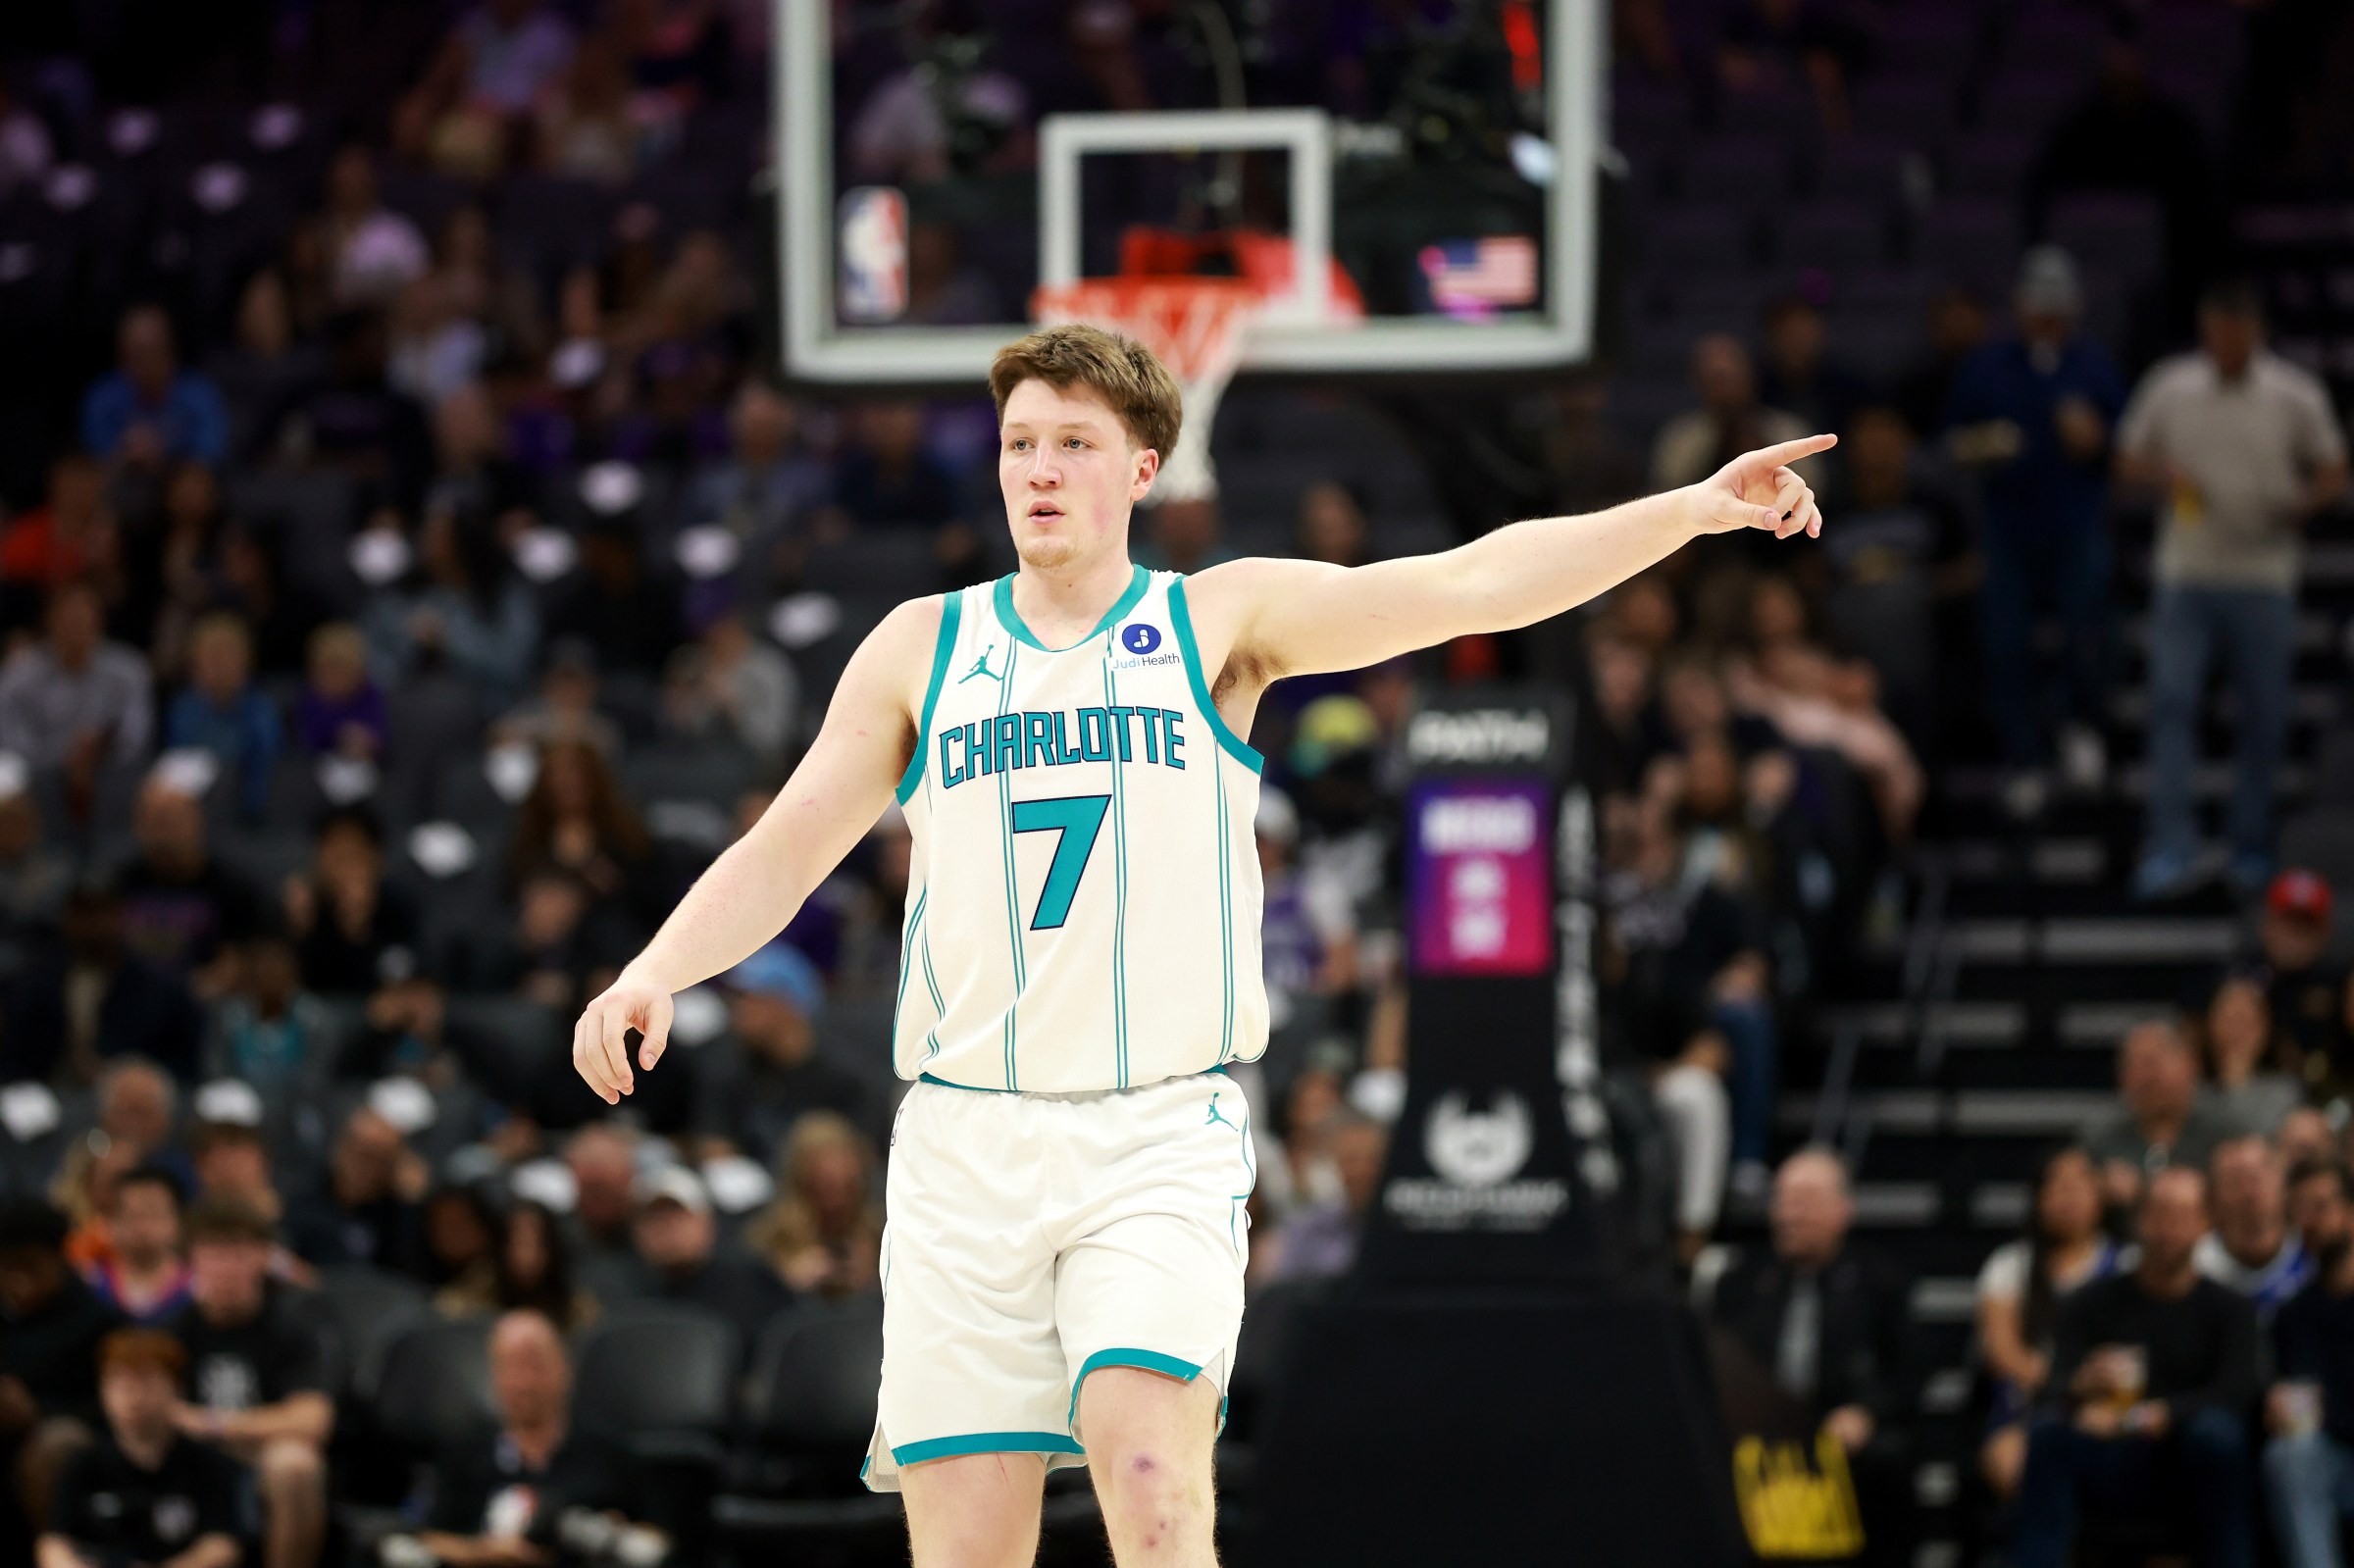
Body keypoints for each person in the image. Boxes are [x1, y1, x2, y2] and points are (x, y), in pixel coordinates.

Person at [570, 320, 1832, 1563]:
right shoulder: (921, 644)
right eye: (1020, 444)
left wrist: (1688, 512)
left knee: (1151, 1481)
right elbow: (790, 844)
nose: (1040, 469)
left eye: (1074, 443)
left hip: (1152, 1133)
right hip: (965, 1143)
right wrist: (656, 970)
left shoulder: (1213, 621)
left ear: (1142, 468)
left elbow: (1466, 583)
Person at [2119, 280, 2351, 899]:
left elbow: (2335, 470)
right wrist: (2165, 474)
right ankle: (2173, 844)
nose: (2224, 345)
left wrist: (2301, 503)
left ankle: (2250, 845)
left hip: (2263, 574)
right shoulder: (2172, 385)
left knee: (2265, 714)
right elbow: (2126, 458)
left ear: (2255, 331)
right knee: (2172, 705)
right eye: (2215, 334)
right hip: (2186, 572)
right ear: (2204, 329)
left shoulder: (2293, 393)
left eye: (2235, 335)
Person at [1944, 247, 2126, 811]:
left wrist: (2095, 439)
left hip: (2075, 524)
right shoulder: (1989, 365)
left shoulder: (2093, 364)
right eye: (2039, 313)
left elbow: (2125, 444)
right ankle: (2023, 757)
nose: (2048, 324)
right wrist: (1989, 445)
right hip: (2009, 528)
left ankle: (2081, 730)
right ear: (2021, 310)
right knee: (2007, 644)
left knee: (2087, 632)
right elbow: (1952, 441)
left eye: (2057, 314)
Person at [2011, 1166, 2259, 1568]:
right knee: (2048, 1435)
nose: (2168, 1229)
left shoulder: (2231, 1309)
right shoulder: (2090, 1302)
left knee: (2219, 1436)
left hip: (2186, 1457)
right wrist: (2081, 1387)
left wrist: (2164, 1414)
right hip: (2111, 1456)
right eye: (2158, 1213)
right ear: (2139, 1220)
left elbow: (2237, 1390)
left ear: (2206, 1224)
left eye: (2182, 1215)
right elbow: (2052, 1386)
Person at [1709, 1148, 1918, 1566]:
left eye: (1805, 1202)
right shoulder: (1739, 1282)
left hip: (1841, 1434)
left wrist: (1865, 1413)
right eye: (1783, 1201)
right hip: (1757, 1437)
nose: (1791, 1215)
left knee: (1886, 1460)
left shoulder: (1881, 1282)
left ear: (1842, 1210)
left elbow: (1909, 1369)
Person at [414, 1310, 659, 1568]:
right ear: (494, 1376)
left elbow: (658, 1540)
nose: (524, 1383)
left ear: (564, 1368)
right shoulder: (464, 1454)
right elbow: (427, 1539)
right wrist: (483, 1552)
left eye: (535, 1365)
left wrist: (614, 1537)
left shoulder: (609, 1456)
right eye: (511, 1366)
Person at [164, 1202, 333, 1568]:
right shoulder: (173, 1331)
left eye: (238, 1253)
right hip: (190, 1464)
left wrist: (213, 1424)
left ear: (263, 1258)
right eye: (213, 1253)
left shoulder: (293, 1326)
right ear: (190, 1261)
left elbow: (312, 1420)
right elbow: (159, 1409)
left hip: (259, 1462)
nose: (225, 1268)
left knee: (294, 1464)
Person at [1976, 1147, 2127, 1499]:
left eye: (2077, 1186)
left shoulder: (2126, 1264)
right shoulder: (2011, 1264)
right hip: (2029, 1405)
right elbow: (2002, 1353)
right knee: (2013, 1462)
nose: (2067, 1198)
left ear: (2100, 1196)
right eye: (2055, 1186)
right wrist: (2067, 1386)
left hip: (2109, 1403)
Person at [37, 1330, 242, 1568]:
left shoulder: (208, 1465)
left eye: (145, 1382)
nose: (133, 1397)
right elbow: (53, 1544)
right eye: (120, 1384)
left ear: (177, 1388)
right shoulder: (84, 1465)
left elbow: (223, 1546)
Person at [1, 1199, 124, 1547]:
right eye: (6, 1268)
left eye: (30, 1267)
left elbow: (116, 1411)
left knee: (57, 1443)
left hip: (70, 1451)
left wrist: (36, 1411)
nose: (17, 1281)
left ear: (60, 1260)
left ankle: (57, 1554)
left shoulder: (97, 1321)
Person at [691, 943, 869, 1163]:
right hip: (749, 1179)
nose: (738, 1007)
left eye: (750, 997)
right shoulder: (726, 1066)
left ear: (787, 1003)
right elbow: (714, 1147)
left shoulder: (844, 1076)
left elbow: (862, 1155)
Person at [2266, 1161, 2354, 1568]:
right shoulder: (2294, 1313)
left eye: (2320, 1207)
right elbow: (2302, 1402)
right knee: (2290, 1454)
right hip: (2333, 1463)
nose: (2309, 1222)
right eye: (2298, 1210)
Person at [2081, 1018, 2235, 1213]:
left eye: (2154, 1063)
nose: (2149, 1078)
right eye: (2135, 1065)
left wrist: (2143, 1192)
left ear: (2190, 1065)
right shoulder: (2100, 1141)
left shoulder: (2226, 1136)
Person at [630, 1166, 792, 1350]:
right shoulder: (630, 1297)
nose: (666, 1226)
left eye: (677, 1214)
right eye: (653, 1217)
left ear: (707, 1222)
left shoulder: (752, 1282)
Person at [744, 1110, 884, 1302]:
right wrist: (785, 1284)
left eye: (846, 1187)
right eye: (824, 1185)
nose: (835, 1198)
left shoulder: (883, 1237)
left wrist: (877, 1277)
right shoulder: (767, 1240)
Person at [79, 307, 230, 471]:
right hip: (122, 475)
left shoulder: (199, 394)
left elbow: (211, 454)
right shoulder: (103, 397)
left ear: (170, 351)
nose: (145, 365)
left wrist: (164, 453)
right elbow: (92, 457)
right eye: (135, 355)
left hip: (177, 476)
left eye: (151, 352)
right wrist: (125, 452)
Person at [281, 1108, 426, 1273]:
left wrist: (412, 1201)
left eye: (381, 1160)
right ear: (342, 1148)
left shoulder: (397, 1217)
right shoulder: (301, 1200)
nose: (368, 1168)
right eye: (363, 1154)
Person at [1255, 1107, 1383, 1287]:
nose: (1362, 1170)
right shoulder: (1307, 1231)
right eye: (1351, 1159)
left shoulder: (1408, 1226)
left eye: (1373, 1160)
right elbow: (1283, 1294)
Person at [437, 1198, 599, 1334]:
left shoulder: (578, 1311)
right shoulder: (468, 1302)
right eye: (519, 1244)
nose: (528, 1256)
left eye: (537, 1244)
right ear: (502, 1247)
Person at [2197, 1136, 2314, 1320]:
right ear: (2213, 1198)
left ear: (2283, 1184)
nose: (2249, 1193)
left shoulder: (2317, 1254)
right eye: (2235, 1182)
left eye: (2257, 1179)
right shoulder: (2196, 1269)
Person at [84, 1166, 193, 1325]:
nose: (143, 1226)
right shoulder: (90, 1286)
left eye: (154, 1215)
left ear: (177, 1221)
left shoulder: (198, 1291)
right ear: (111, 1223)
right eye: (133, 1215)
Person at [2203, 975, 2303, 1138]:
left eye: (2246, 1021)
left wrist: (2238, 1081)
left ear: (2266, 1030)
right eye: (2229, 1020)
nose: (2237, 1032)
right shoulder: (2191, 1092)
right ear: (2210, 1025)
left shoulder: (2285, 1092)